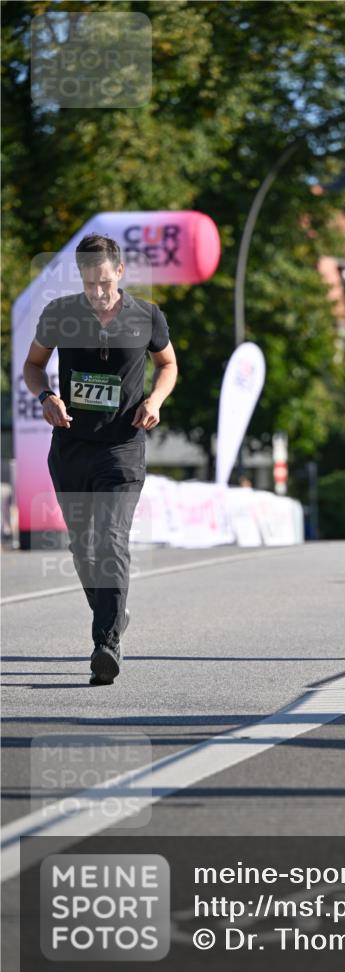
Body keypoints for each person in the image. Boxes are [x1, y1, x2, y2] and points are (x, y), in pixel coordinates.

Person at [23, 233, 178, 685]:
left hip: (122, 448)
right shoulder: (61, 313)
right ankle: (114, 611)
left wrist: (156, 400)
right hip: (70, 448)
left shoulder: (146, 316)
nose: (98, 293)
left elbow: (168, 364)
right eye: (90, 284)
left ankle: (105, 644)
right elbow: (33, 366)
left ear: (120, 273)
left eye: (105, 284)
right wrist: (46, 396)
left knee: (110, 539)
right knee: (82, 548)